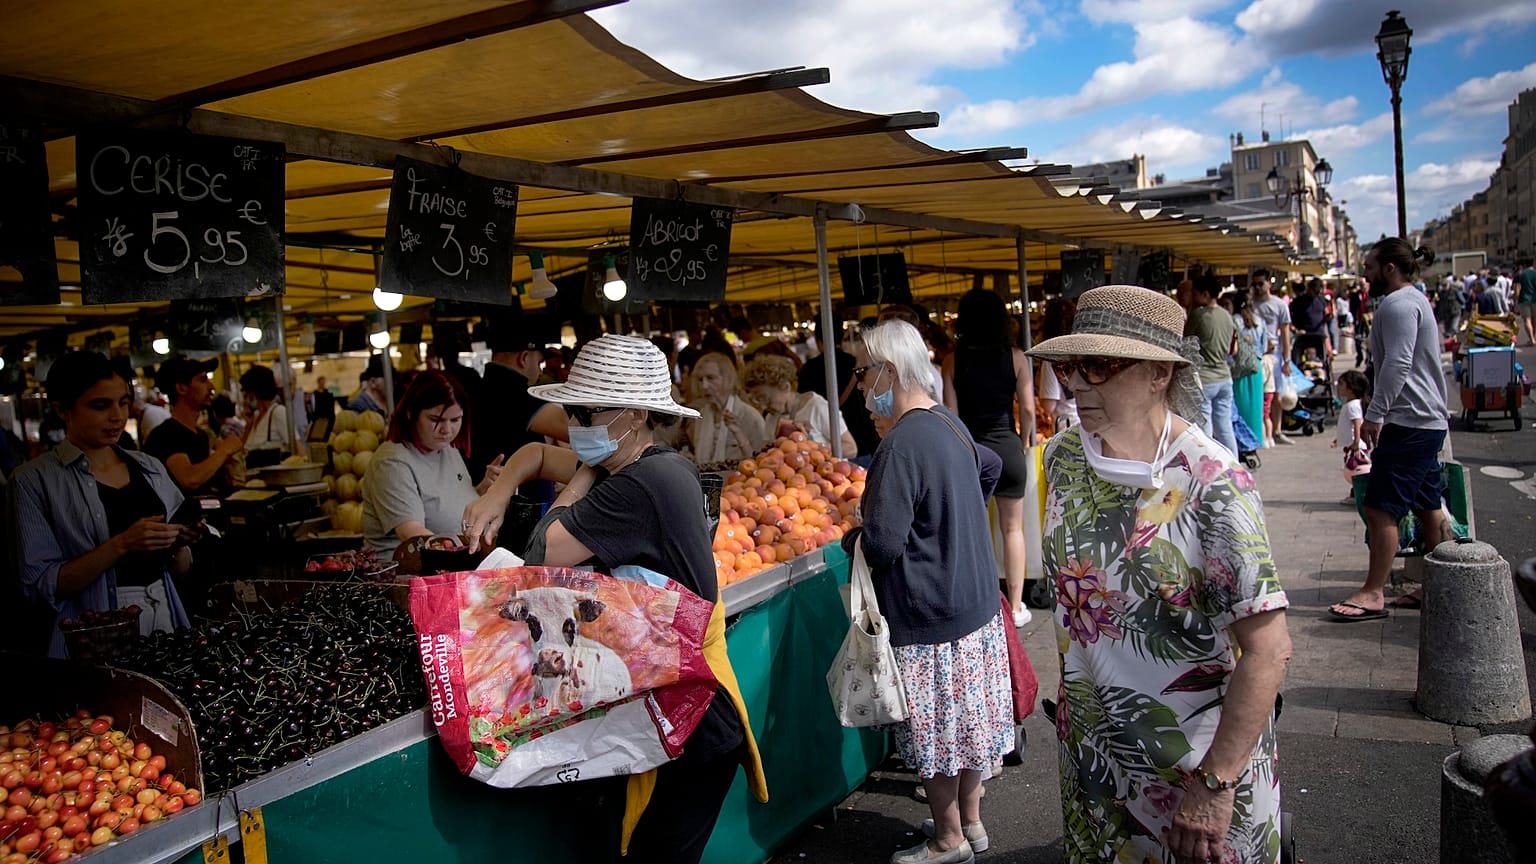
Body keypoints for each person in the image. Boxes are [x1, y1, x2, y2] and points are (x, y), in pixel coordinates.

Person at [460, 334, 766, 864]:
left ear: (630, 414)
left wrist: (580, 472)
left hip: (689, 716)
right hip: (681, 705)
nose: (573, 423)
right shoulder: (652, 465)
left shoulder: (639, 484)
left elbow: (542, 552)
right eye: (570, 410)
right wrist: (502, 484)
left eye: (584, 412)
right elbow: (534, 452)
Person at [1028, 285, 1292, 864]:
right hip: (1094, 765)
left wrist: (1215, 786)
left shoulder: (1212, 483)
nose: (1075, 382)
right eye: (1070, 365)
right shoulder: (1063, 459)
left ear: (1159, 375)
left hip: (1195, 777)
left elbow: (1268, 651)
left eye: (1098, 365)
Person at [849, 320, 1014, 864]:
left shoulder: (900, 444)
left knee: (936, 737)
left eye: (861, 370)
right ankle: (970, 822)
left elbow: (884, 543)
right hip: (975, 605)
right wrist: (953, 517)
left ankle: (947, 841)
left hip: (929, 613)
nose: (858, 383)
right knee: (967, 727)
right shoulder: (947, 422)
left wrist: (859, 533)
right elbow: (988, 468)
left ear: (888, 372)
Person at [8, 352, 198, 657]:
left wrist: (178, 542)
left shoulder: (150, 468)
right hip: (93, 634)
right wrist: (121, 544)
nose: (117, 416)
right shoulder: (32, 481)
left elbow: (180, 568)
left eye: (123, 402)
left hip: (165, 615)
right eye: (100, 405)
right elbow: (39, 587)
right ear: (62, 410)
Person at [1328, 241, 1450, 620]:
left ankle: (1373, 592)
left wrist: (1376, 414)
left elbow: (1397, 364)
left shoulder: (1397, 305)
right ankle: (1440, 587)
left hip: (1408, 420)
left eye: (1370, 267)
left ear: (1390, 268)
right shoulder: (1412, 300)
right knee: (1428, 505)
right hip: (1424, 420)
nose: (1365, 274)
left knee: (1380, 508)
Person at [941, 288, 1037, 628]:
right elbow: (1027, 408)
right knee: (1013, 529)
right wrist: (1023, 440)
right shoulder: (1016, 357)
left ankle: (981, 602)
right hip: (1008, 447)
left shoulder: (952, 361)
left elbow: (951, 413)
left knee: (973, 529)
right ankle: (1016, 605)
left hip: (972, 451)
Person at [361, 371, 498, 559]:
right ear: (411, 414)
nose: (447, 430)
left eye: (455, 420)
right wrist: (463, 557)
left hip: (456, 564)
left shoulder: (446, 447)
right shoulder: (392, 463)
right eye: (436, 420)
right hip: (409, 574)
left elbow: (445, 502)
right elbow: (412, 534)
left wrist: (482, 490)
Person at [144, 356, 243, 497]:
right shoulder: (167, 435)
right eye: (203, 380)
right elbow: (190, 479)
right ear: (181, 388)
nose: (212, 387)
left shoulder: (199, 434)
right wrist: (224, 450)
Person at [468, 322, 548, 487]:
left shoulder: (481, 387)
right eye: (539, 363)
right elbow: (567, 426)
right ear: (524, 358)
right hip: (508, 498)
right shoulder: (511, 391)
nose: (540, 372)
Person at [742, 354, 858, 454]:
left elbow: (851, 448)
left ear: (785, 387)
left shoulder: (816, 406)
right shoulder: (771, 417)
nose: (763, 406)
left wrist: (811, 446)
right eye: (758, 400)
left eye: (766, 398)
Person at [800, 318, 876, 457]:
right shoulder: (856, 363)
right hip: (862, 440)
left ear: (817, 339)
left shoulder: (809, 369)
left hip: (828, 447)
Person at [1185, 274, 1237, 456]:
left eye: (1195, 293)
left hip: (1205, 378)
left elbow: (1186, 342)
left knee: (1204, 427)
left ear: (1205, 294)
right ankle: (1234, 464)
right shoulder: (1227, 316)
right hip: (1225, 376)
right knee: (1225, 427)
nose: (1192, 296)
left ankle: (1207, 462)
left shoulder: (1199, 316)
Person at [685, 351, 766, 464]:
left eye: (711, 378)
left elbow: (761, 460)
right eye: (700, 380)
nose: (704, 386)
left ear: (728, 378)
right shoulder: (701, 416)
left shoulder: (750, 417)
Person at [1250, 269, 1293, 446]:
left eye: (1261, 283)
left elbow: (1285, 332)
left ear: (1269, 283)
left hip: (1274, 355)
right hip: (1255, 354)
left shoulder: (1279, 305)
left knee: (1275, 394)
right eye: (1255, 284)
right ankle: (1261, 430)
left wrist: (1287, 359)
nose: (1258, 288)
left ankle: (1277, 429)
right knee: (1260, 394)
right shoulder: (1250, 304)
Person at [1228, 291, 1267, 449]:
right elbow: (1264, 346)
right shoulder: (1260, 321)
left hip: (1240, 367)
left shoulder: (1234, 320)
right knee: (1256, 405)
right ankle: (1257, 438)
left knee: (1241, 405)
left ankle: (1244, 441)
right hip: (1256, 365)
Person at [238, 365, 293, 467]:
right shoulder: (255, 417)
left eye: (248, 395)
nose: (245, 400)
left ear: (257, 393)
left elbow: (297, 449)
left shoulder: (278, 412)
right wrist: (248, 426)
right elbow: (242, 452)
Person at [1332, 370, 1372, 505]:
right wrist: (1339, 439)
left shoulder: (1353, 405)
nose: (1338, 386)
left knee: (1357, 470)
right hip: (1351, 445)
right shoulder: (1350, 405)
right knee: (1353, 469)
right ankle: (1355, 493)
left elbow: (1357, 424)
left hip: (1356, 446)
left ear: (1351, 388)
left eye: (1341, 383)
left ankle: (1358, 495)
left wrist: (1356, 442)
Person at [1519, 258, 1536, 347]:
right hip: (1535, 298)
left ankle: (1531, 339)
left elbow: (1517, 287)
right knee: (1535, 319)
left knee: (1527, 320)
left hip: (1524, 298)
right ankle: (1534, 337)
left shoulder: (1522, 274)